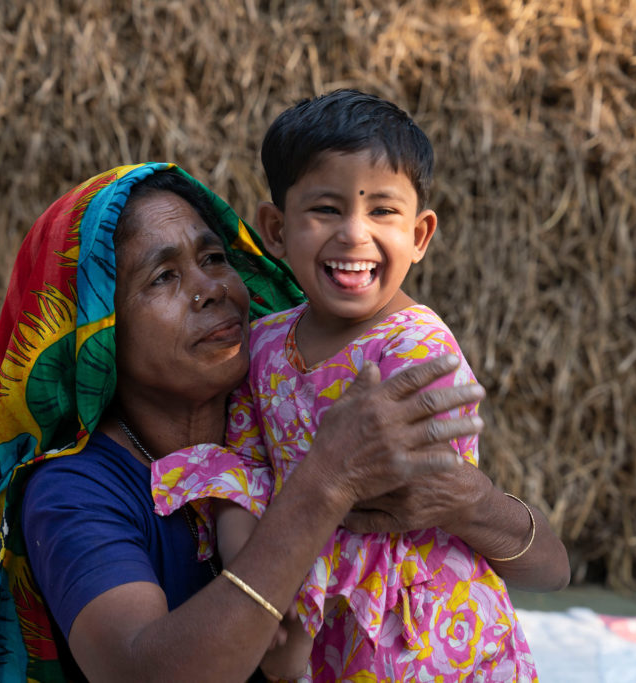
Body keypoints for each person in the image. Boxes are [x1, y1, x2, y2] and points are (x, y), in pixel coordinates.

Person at [0, 162, 552, 683]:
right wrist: (324, 482)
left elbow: (551, 569)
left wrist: (474, 505)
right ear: (97, 330)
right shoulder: (77, 491)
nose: (210, 287)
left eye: (214, 258)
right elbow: (143, 674)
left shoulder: (291, 401)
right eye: (163, 277)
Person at [150, 90, 569, 681]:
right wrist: (259, 593)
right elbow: (243, 472)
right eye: (326, 208)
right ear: (275, 229)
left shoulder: (416, 351)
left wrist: (294, 608)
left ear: (420, 236)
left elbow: (401, 500)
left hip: (425, 633)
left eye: (383, 212)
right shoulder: (265, 344)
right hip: (328, 627)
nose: (354, 234)